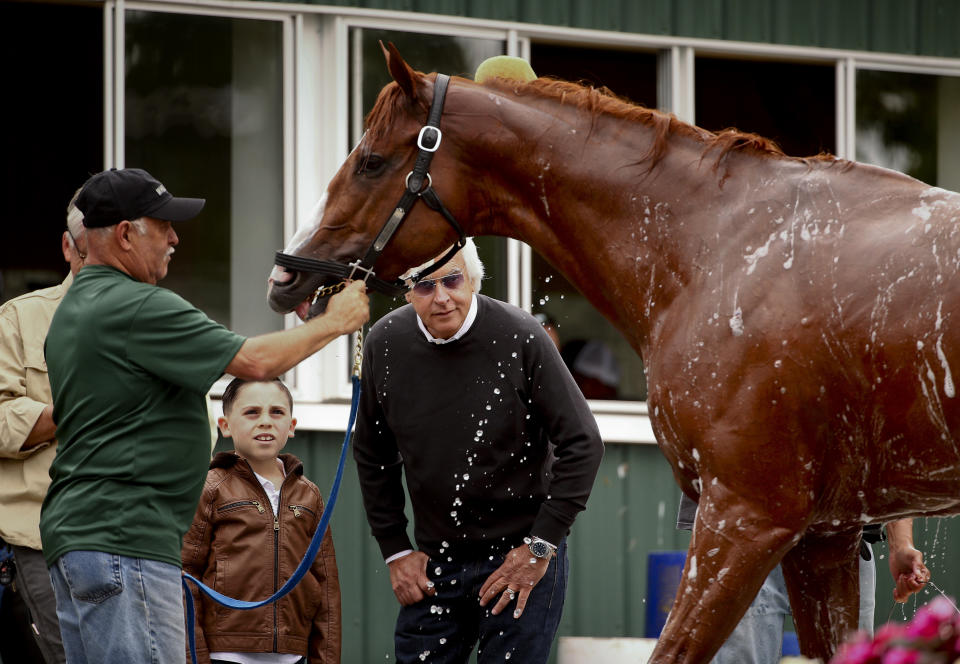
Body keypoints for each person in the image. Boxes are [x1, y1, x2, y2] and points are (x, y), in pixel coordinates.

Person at [39, 167, 368, 664]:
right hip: (126, 541)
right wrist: (336, 322)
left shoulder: (75, 309)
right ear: (126, 234)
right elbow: (256, 362)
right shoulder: (134, 305)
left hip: (86, 540)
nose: (175, 237)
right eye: (162, 224)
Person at [353, 238, 604, 664]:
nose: (442, 297)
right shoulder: (386, 341)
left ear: (473, 278)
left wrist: (540, 546)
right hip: (436, 561)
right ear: (406, 290)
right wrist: (395, 549)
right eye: (424, 285)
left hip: (522, 553)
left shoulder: (521, 334)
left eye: (451, 280)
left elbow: (583, 444)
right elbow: (373, 452)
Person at [182, 377, 340, 664]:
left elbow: (326, 588)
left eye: (277, 412)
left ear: (291, 427)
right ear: (225, 425)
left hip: (294, 655)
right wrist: (195, 658)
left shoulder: (310, 495)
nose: (265, 421)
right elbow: (185, 577)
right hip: (225, 654)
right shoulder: (210, 488)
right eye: (252, 412)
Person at [677, 493, 928, 663]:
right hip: (742, 530)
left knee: (848, 659)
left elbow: (883, 433)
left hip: (844, 537)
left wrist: (901, 543)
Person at [0, 190, 87, 664]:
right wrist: (76, 410)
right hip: (40, 540)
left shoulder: (163, 318)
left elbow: (192, 431)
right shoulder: (19, 319)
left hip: (139, 541)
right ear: (67, 248)